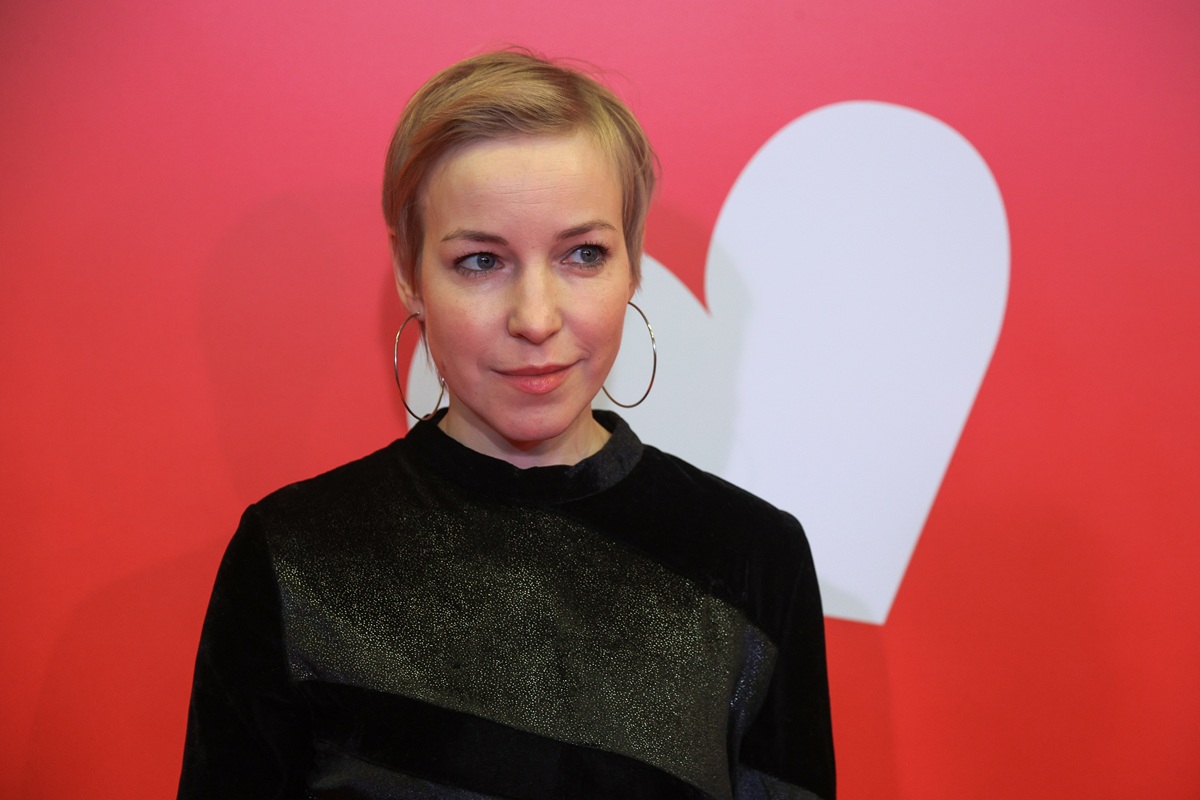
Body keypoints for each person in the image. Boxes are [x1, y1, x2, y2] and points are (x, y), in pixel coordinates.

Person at [178, 50, 836, 800]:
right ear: (409, 272)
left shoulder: (754, 558)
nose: (535, 318)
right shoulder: (292, 560)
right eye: (481, 261)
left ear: (633, 263)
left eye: (583, 254)